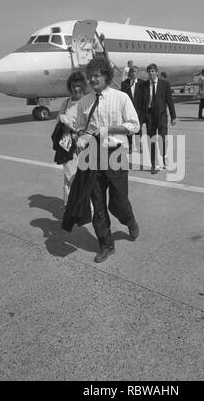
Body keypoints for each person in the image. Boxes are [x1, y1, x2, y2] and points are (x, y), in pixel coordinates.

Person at [64, 56, 140, 263]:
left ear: (106, 76)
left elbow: (135, 125)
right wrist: (78, 136)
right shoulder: (85, 101)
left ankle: (128, 219)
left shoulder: (121, 97)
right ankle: (106, 245)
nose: (92, 80)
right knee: (97, 205)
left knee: (119, 202)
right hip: (93, 156)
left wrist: (110, 129)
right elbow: (82, 127)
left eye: (96, 76)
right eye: (90, 77)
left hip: (115, 154)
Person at [57, 71, 90, 205]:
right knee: (69, 176)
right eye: (73, 86)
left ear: (83, 87)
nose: (75, 89)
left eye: (78, 86)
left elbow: (93, 124)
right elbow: (58, 122)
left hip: (84, 145)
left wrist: (81, 132)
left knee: (86, 178)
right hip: (68, 145)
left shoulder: (88, 102)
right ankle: (69, 206)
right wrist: (65, 125)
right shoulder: (65, 103)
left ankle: (87, 206)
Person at [141, 63, 177, 174]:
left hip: (161, 116)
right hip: (150, 116)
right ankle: (154, 165)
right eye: (149, 72)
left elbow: (169, 101)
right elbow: (141, 104)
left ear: (157, 72)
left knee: (162, 139)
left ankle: (164, 156)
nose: (151, 73)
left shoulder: (164, 84)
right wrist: (140, 119)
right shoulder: (143, 86)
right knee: (152, 140)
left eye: (153, 71)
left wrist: (173, 116)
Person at [121, 66, 143, 152]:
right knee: (129, 128)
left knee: (138, 129)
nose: (134, 73)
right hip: (128, 110)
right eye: (133, 72)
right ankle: (130, 146)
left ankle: (138, 145)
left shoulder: (141, 83)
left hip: (138, 110)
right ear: (130, 73)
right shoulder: (125, 83)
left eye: (136, 71)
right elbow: (122, 96)